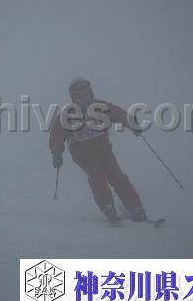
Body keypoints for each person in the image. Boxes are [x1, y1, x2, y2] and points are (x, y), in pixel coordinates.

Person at [49, 78, 147, 225]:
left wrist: (132, 123)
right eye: (78, 96)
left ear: (90, 93)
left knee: (116, 175)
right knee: (97, 176)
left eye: (85, 94)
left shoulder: (100, 107)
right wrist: (56, 152)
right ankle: (107, 207)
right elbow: (57, 134)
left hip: (103, 149)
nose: (82, 99)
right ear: (73, 98)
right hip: (82, 153)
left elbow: (118, 114)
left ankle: (136, 207)